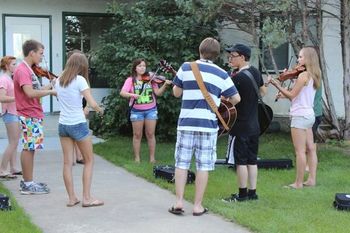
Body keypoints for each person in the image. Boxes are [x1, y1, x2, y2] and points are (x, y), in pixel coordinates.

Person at [169, 37, 240, 216]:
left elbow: (176, 93)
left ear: (200, 50)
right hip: (208, 125)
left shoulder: (186, 66)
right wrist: (220, 99)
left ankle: (178, 202)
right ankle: (197, 205)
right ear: (216, 55)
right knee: (203, 165)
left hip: (186, 123)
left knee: (182, 163)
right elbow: (236, 98)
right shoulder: (222, 74)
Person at [55, 52, 104, 207]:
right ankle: (87, 198)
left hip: (63, 125)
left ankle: (71, 198)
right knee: (89, 161)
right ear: (82, 65)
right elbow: (92, 102)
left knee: (67, 163)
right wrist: (100, 110)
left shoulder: (59, 80)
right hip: (77, 123)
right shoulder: (80, 80)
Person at [268, 46, 321, 189]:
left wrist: (277, 85)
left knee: (300, 151)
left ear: (308, 59)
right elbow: (299, 97)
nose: (298, 59)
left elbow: (292, 95)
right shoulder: (314, 74)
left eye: (301, 57)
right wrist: (284, 94)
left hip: (299, 116)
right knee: (311, 148)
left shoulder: (303, 76)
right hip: (309, 114)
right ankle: (311, 180)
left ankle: (298, 183)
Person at [222, 43, 267, 202]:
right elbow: (263, 91)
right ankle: (253, 193)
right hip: (254, 125)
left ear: (242, 57)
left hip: (240, 125)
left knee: (240, 162)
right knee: (252, 160)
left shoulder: (237, 77)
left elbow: (229, 99)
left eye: (233, 56)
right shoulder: (255, 71)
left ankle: (242, 194)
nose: (230, 59)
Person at [13, 39, 56, 194]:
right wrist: (51, 92)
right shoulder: (22, 70)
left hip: (33, 113)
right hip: (28, 114)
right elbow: (30, 93)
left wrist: (51, 85)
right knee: (29, 148)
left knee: (31, 148)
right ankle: (27, 184)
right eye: (40, 53)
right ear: (32, 53)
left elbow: (35, 90)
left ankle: (28, 181)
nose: (41, 57)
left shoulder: (28, 69)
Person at [120, 58, 172, 163]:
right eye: (139, 66)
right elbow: (122, 92)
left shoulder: (150, 78)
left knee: (150, 134)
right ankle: (137, 158)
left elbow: (157, 93)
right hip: (136, 111)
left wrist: (165, 85)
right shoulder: (130, 80)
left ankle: (152, 158)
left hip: (151, 110)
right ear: (135, 68)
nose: (142, 68)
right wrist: (133, 95)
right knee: (137, 135)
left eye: (144, 66)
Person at [0, 56, 21, 179]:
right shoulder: (3, 79)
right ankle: (2, 169)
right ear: (7, 66)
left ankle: (13, 168)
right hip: (9, 113)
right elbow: (1, 98)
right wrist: (17, 98)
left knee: (14, 142)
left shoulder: (9, 78)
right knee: (13, 142)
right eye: (13, 64)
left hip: (14, 113)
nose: (16, 66)